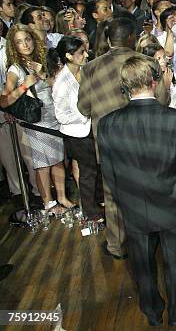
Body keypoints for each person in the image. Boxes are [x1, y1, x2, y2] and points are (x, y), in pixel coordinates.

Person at [98, 56, 176, 327]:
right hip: (173, 203)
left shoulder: (108, 123)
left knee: (142, 263)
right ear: (154, 82)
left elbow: (108, 172)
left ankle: (152, 309)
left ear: (125, 86)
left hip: (133, 204)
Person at [77, 17, 169, 260]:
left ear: (109, 39)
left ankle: (117, 245)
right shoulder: (148, 63)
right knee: (148, 191)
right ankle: (150, 240)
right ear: (132, 37)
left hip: (109, 144)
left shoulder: (90, 68)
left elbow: (83, 107)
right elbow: (162, 101)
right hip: (146, 141)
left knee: (113, 196)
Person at [0, 24, 71, 215]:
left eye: (27, 39)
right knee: (42, 164)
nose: (25, 45)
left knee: (57, 159)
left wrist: (42, 74)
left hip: (54, 116)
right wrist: (24, 86)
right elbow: (4, 100)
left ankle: (62, 198)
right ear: (14, 46)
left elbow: (57, 85)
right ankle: (48, 203)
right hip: (36, 122)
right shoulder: (15, 69)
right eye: (19, 42)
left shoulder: (43, 59)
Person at [51, 36, 103, 221]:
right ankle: (90, 212)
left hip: (92, 129)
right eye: (81, 52)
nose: (86, 54)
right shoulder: (61, 81)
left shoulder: (86, 71)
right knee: (88, 172)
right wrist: (85, 114)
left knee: (96, 169)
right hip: (77, 134)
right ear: (68, 55)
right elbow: (61, 115)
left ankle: (98, 202)